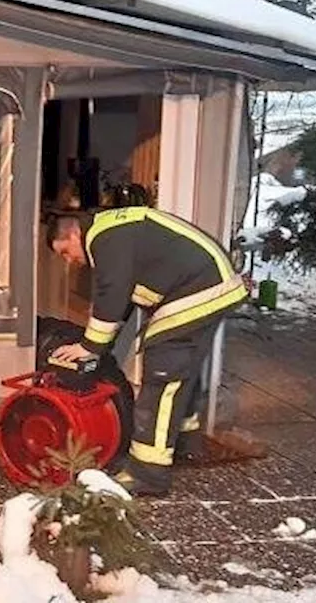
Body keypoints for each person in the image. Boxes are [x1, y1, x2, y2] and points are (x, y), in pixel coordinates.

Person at [46, 207, 249, 496]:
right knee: (181, 371)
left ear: (75, 232)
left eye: (66, 252)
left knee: (163, 374)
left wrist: (89, 347)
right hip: (208, 283)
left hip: (199, 289)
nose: (70, 261)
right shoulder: (114, 230)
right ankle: (184, 443)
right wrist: (99, 348)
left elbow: (111, 293)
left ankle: (147, 474)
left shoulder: (104, 238)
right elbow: (121, 301)